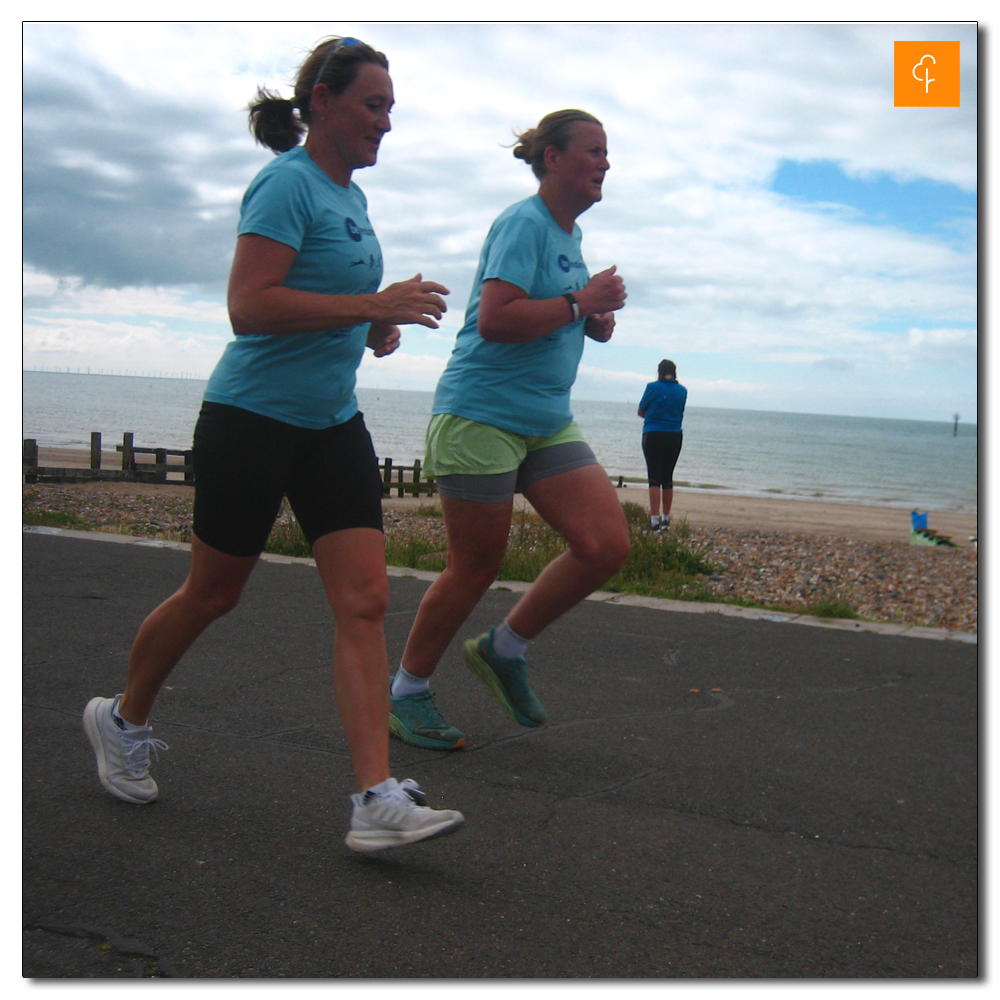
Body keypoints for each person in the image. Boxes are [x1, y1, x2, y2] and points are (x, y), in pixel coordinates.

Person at [83, 36, 464, 852]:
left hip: (331, 425)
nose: (386, 123)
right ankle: (120, 717)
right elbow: (249, 307)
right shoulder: (285, 184)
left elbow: (329, 302)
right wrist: (368, 304)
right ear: (320, 104)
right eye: (373, 105)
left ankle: (374, 797)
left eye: (392, 109)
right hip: (250, 420)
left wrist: (373, 328)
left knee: (364, 600)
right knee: (213, 594)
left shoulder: (352, 200)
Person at [386, 109, 631, 751]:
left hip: (545, 419)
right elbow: (495, 320)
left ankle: (504, 647)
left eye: (609, 152)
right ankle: (407, 694)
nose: (605, 162)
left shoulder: (569, 237)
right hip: (481, 413)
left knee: (604, 546)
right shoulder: (523, 222)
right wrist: (580, 303)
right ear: (553, 159)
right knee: (475, 566)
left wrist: (589, 320)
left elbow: (548, 313)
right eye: (594, 150)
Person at [638, 359, 687, 532]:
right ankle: (666, 519)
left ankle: (654, 521)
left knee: (654, 478)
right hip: (674, 434)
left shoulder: (653, 387)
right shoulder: (682, 391)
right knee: (667, 478)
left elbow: (641, 410)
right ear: (675, 372)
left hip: (653, 433)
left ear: (659, 371)